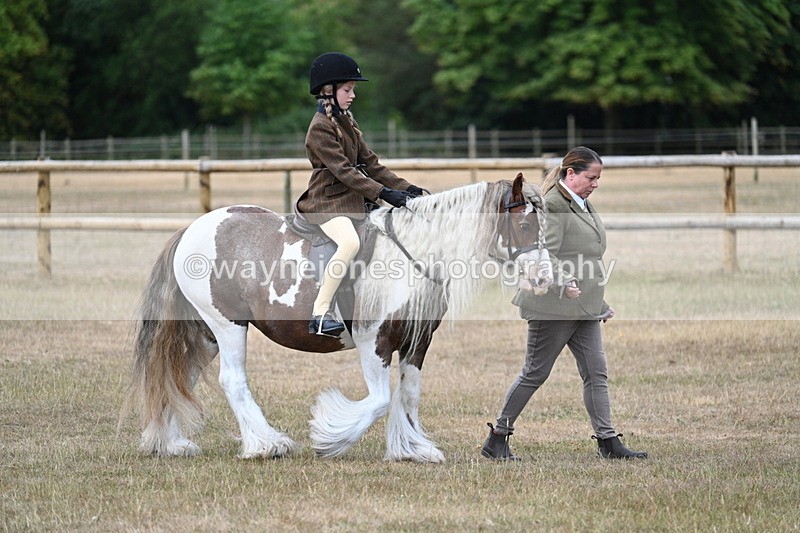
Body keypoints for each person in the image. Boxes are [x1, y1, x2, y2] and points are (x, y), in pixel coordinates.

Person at [481, 146, 648, 460]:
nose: (595, 183)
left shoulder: (581, 204)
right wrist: (562, 282)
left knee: (596, 373)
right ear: (570, 173)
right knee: (534, 373)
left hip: (582, 305)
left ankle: (608, 441)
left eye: (598, 178)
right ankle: (497, 438)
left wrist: (599, 302)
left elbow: (587, 257)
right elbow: (546, 253)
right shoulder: (555, 205)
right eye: (590, 177)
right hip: (551, 305)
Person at [296, 52, 427, 337]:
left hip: (353, 201)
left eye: (353, 89)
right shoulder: (319, 128)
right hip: (326, 203)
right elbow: (345, 172)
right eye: (347, 89)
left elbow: (371, 164)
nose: (353, 94)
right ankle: (320, 312)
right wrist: (384, 194)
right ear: (327, 91)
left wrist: (407, 189)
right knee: (349, 243)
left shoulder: (347, 121)